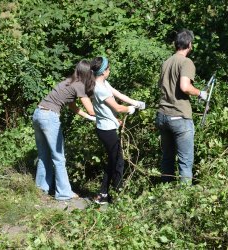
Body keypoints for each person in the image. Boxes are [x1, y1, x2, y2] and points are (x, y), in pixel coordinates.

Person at [32, 60, 96, 200]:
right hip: (49, 117)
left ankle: (41, 188)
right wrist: (106, 116)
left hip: (38, 113)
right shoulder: (79, 85)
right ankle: (64, 193)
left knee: (44, 155)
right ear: (88, 73)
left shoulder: (68, 82)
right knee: (59, 157)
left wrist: (87, 117)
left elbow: (72, 106)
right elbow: (91, 109)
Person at [155, 29, 208, 185]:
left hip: (162, 115)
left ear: (175, 44)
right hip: (179, 117)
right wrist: (200, 93)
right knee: (185, 162)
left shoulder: (166, 62)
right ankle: (184, 201)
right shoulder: (186, 62)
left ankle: (164, 194)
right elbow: (185, 87)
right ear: (189, 45)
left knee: (167, 158)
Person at [91, 56, 146, 204]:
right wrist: (130, 109)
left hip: (108, 127)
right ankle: (118, 197)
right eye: (108, 68)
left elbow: (119, 95)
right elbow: (117, 107)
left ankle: (103, 194)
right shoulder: (100, 89)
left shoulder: (103, 83)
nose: (110, 70)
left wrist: (136, 103)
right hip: (106, 131)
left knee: (112, 161)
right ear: (103, 72)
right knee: (118, 162)